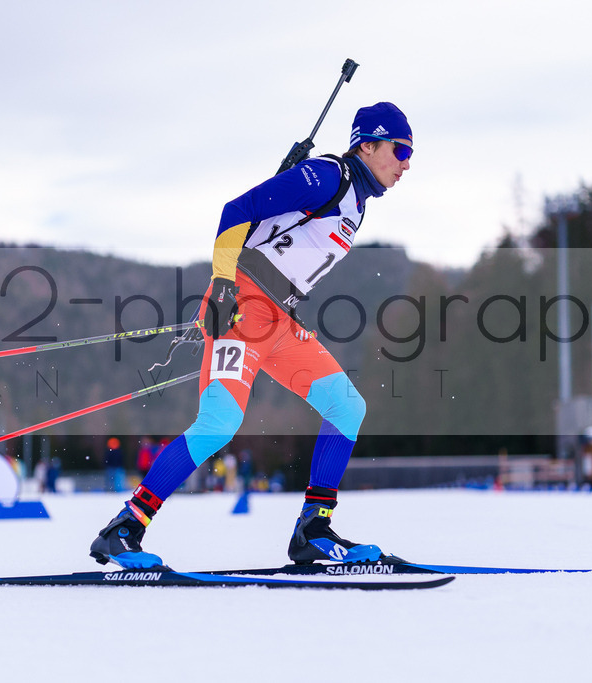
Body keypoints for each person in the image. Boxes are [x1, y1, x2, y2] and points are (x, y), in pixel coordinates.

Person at [90, 102, 413, 568]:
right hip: (241, 307)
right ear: (369, 144)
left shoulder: (355, 206)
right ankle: (125, 528)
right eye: (400, 150)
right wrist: (222, 283)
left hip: (279, 321)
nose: (406, 164)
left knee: (347, 405)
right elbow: (237, 210)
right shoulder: (329, 176)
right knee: (219, 423)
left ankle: (313, 530)